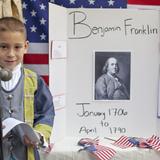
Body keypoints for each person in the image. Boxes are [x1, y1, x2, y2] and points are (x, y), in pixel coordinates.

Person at [0, 17, 55, 160]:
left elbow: (46, 113)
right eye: (3, 46)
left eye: (17, 47)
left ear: (26, 47)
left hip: (25, 152)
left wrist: (38, 135)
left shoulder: (34, 81)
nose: (11, 53)